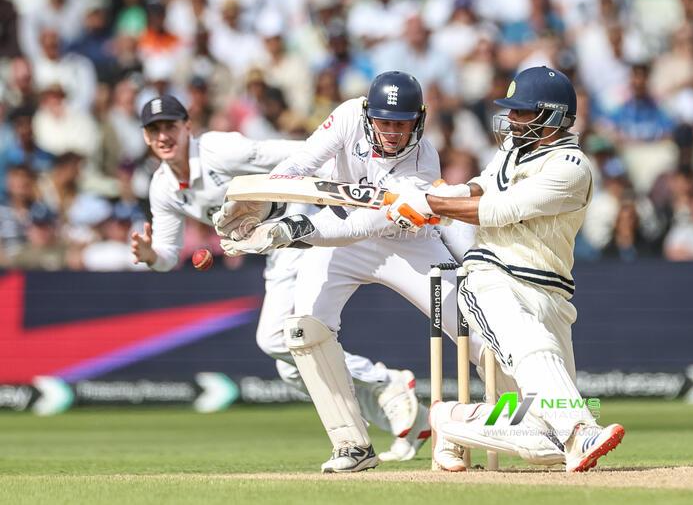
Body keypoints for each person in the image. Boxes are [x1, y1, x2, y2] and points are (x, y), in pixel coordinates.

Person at [213, 72, 564, 473]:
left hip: (404, 241)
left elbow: (365, 225)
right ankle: (351, 444)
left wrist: (293, 231)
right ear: (368, 115)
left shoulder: (422, 162)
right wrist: (262, 202)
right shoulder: (347, 117)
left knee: (479, 331)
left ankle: (529, 425)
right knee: (304, 330)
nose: (394, 133)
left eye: (402, 123)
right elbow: (301, 165)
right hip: (338, 238)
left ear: (419, 119)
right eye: (385, 122)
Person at [129, 94, 429, 464]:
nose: (163, 136)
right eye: (154, 130)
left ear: (186, 126)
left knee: (275, 338)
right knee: (292, 368)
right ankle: (408, 422)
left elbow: (298, 154)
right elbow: (168, 255)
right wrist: (151, 256)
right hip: (272, 250)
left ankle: (386, 382)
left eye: (169, 126)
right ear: (145, 137)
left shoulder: (218, 149)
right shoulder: (161, 186)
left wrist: (329, 199)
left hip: (303, 228)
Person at [384, 66, 625, 472]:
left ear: (550, 116)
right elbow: (481, 187)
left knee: (545, 439)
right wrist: (436, 196)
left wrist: (430, 204)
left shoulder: (573, 167)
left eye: (521, 112)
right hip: (493, 277)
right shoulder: (513, 151)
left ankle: (453, 421)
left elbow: (500, 209)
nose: (511, 120)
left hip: (551, 290)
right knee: (534, 348)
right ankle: (581, 430)